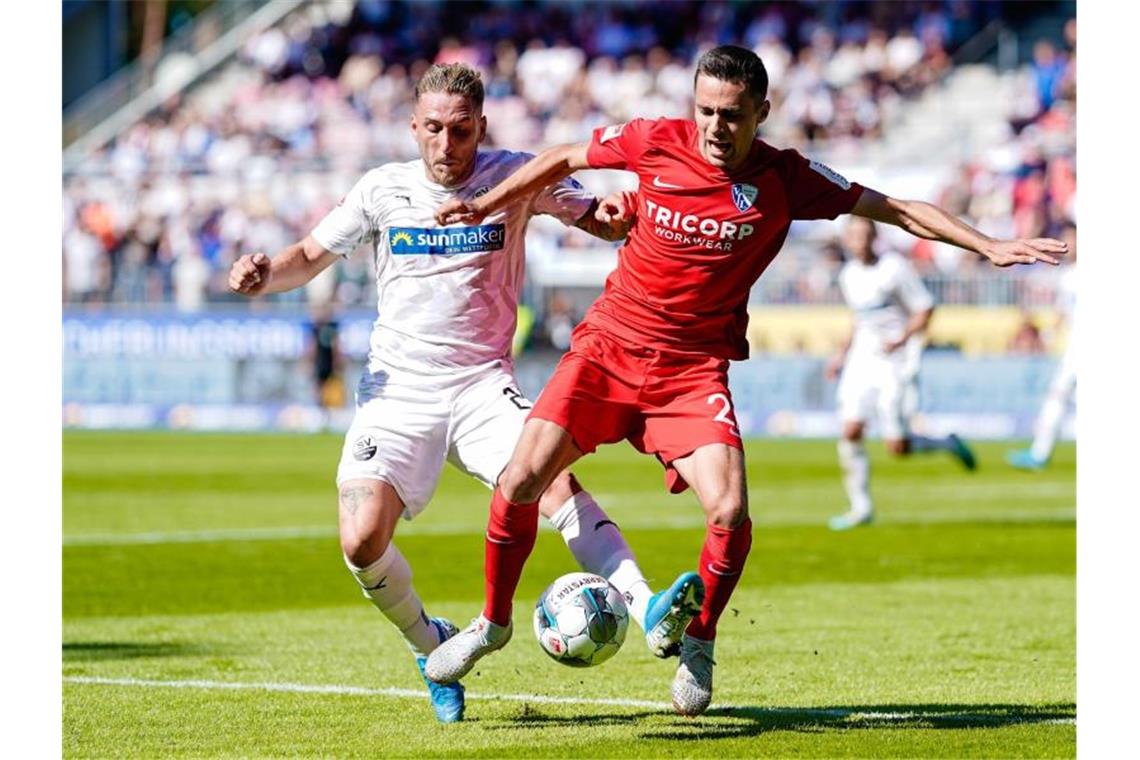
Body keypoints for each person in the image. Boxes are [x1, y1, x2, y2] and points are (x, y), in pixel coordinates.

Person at [423, 45, 1067, 717]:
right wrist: (486, 204)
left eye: (731, 115)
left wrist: (987, 244)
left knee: (729, 510)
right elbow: (560, 156)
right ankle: (490, 626)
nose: (714, 127)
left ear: (762, 112)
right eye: (704, 110)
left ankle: (698, 643)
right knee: (521, 479)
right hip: (608, 350)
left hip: (692, 369)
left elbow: (895, 208)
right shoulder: (654, 141)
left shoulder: (786, 178)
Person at [228, 63, 703, 724]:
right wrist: (262, 272)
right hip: (397, 397)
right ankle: (432, 648)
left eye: (459, 130)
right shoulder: (381, 189)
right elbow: (307, 255)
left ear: (481, 125)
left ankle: (647, 603)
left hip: (483, 387)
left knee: (552, 486)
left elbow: (597, 217)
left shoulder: (518, 174)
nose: (446, 145)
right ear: (412, 126)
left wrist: (619, 215)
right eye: (433, 129)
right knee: (362, 540)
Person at [824, 217, 976, 531]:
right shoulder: (849, 275)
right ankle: (860, 507)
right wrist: (840, 355)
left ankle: (947, 444)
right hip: (861, 360)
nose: (858, 241)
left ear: (874, 236)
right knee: (850, 430)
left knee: (898, 447)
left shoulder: (894, 268)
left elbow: (925, 309)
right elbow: (857, 318)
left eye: (864, 234)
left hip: (895, 361)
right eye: (852, 235)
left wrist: (903, 338)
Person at [1008, 222, 1077, 470]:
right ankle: (1040, 454)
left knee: (1058, 397)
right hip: (1074, 348)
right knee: (1056, 397)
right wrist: (1047, 337)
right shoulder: (1066, 275)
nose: (1068, 246)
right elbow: (1062, 313)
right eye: (1065, 241)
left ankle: (1040, 454)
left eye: (1072, 239)